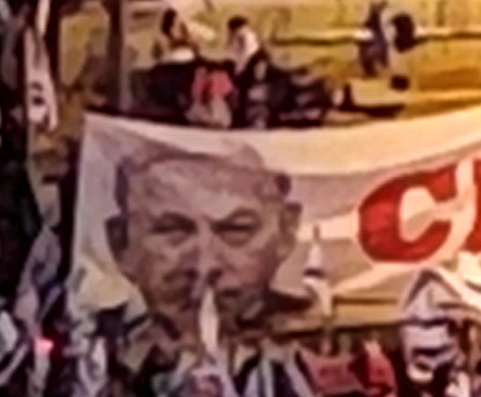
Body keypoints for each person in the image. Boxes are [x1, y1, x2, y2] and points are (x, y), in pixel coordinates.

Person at [97, 131, 320, 337]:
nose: (204, 266)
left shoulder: (318, 335)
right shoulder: (89, 336)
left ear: (286, 233)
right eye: (172, 230)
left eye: (236, 230)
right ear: (120, 243)